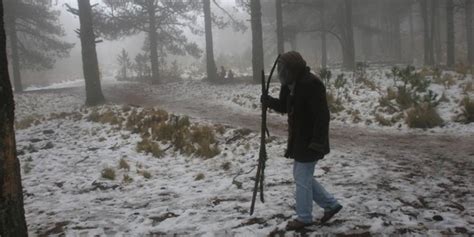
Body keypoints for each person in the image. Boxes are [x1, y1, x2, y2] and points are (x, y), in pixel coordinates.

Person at [261, 51, 342, 231]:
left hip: (312, 140)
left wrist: (317, 142)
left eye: (284, 69)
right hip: (298, 139)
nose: (281, 73)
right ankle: (331, 205)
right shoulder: (289, 84)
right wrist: (268, 101)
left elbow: (322, 116)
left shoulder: (312, 85)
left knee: (302, 178)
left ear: (293, 69)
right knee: (302, 176)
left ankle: (304, 218)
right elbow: (285, 106)